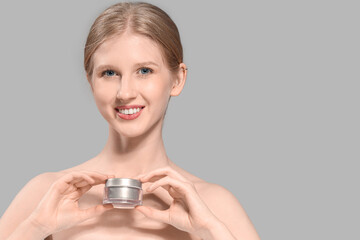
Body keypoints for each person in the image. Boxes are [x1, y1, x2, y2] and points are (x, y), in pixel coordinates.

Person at [0, 2, 260, 240]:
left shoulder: (214, 204)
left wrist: (209, 230)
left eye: (144, 71)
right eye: (109, 73)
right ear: (91, 80)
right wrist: (35, 227)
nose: (125, 92)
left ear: (178, 79)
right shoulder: (45, 195)